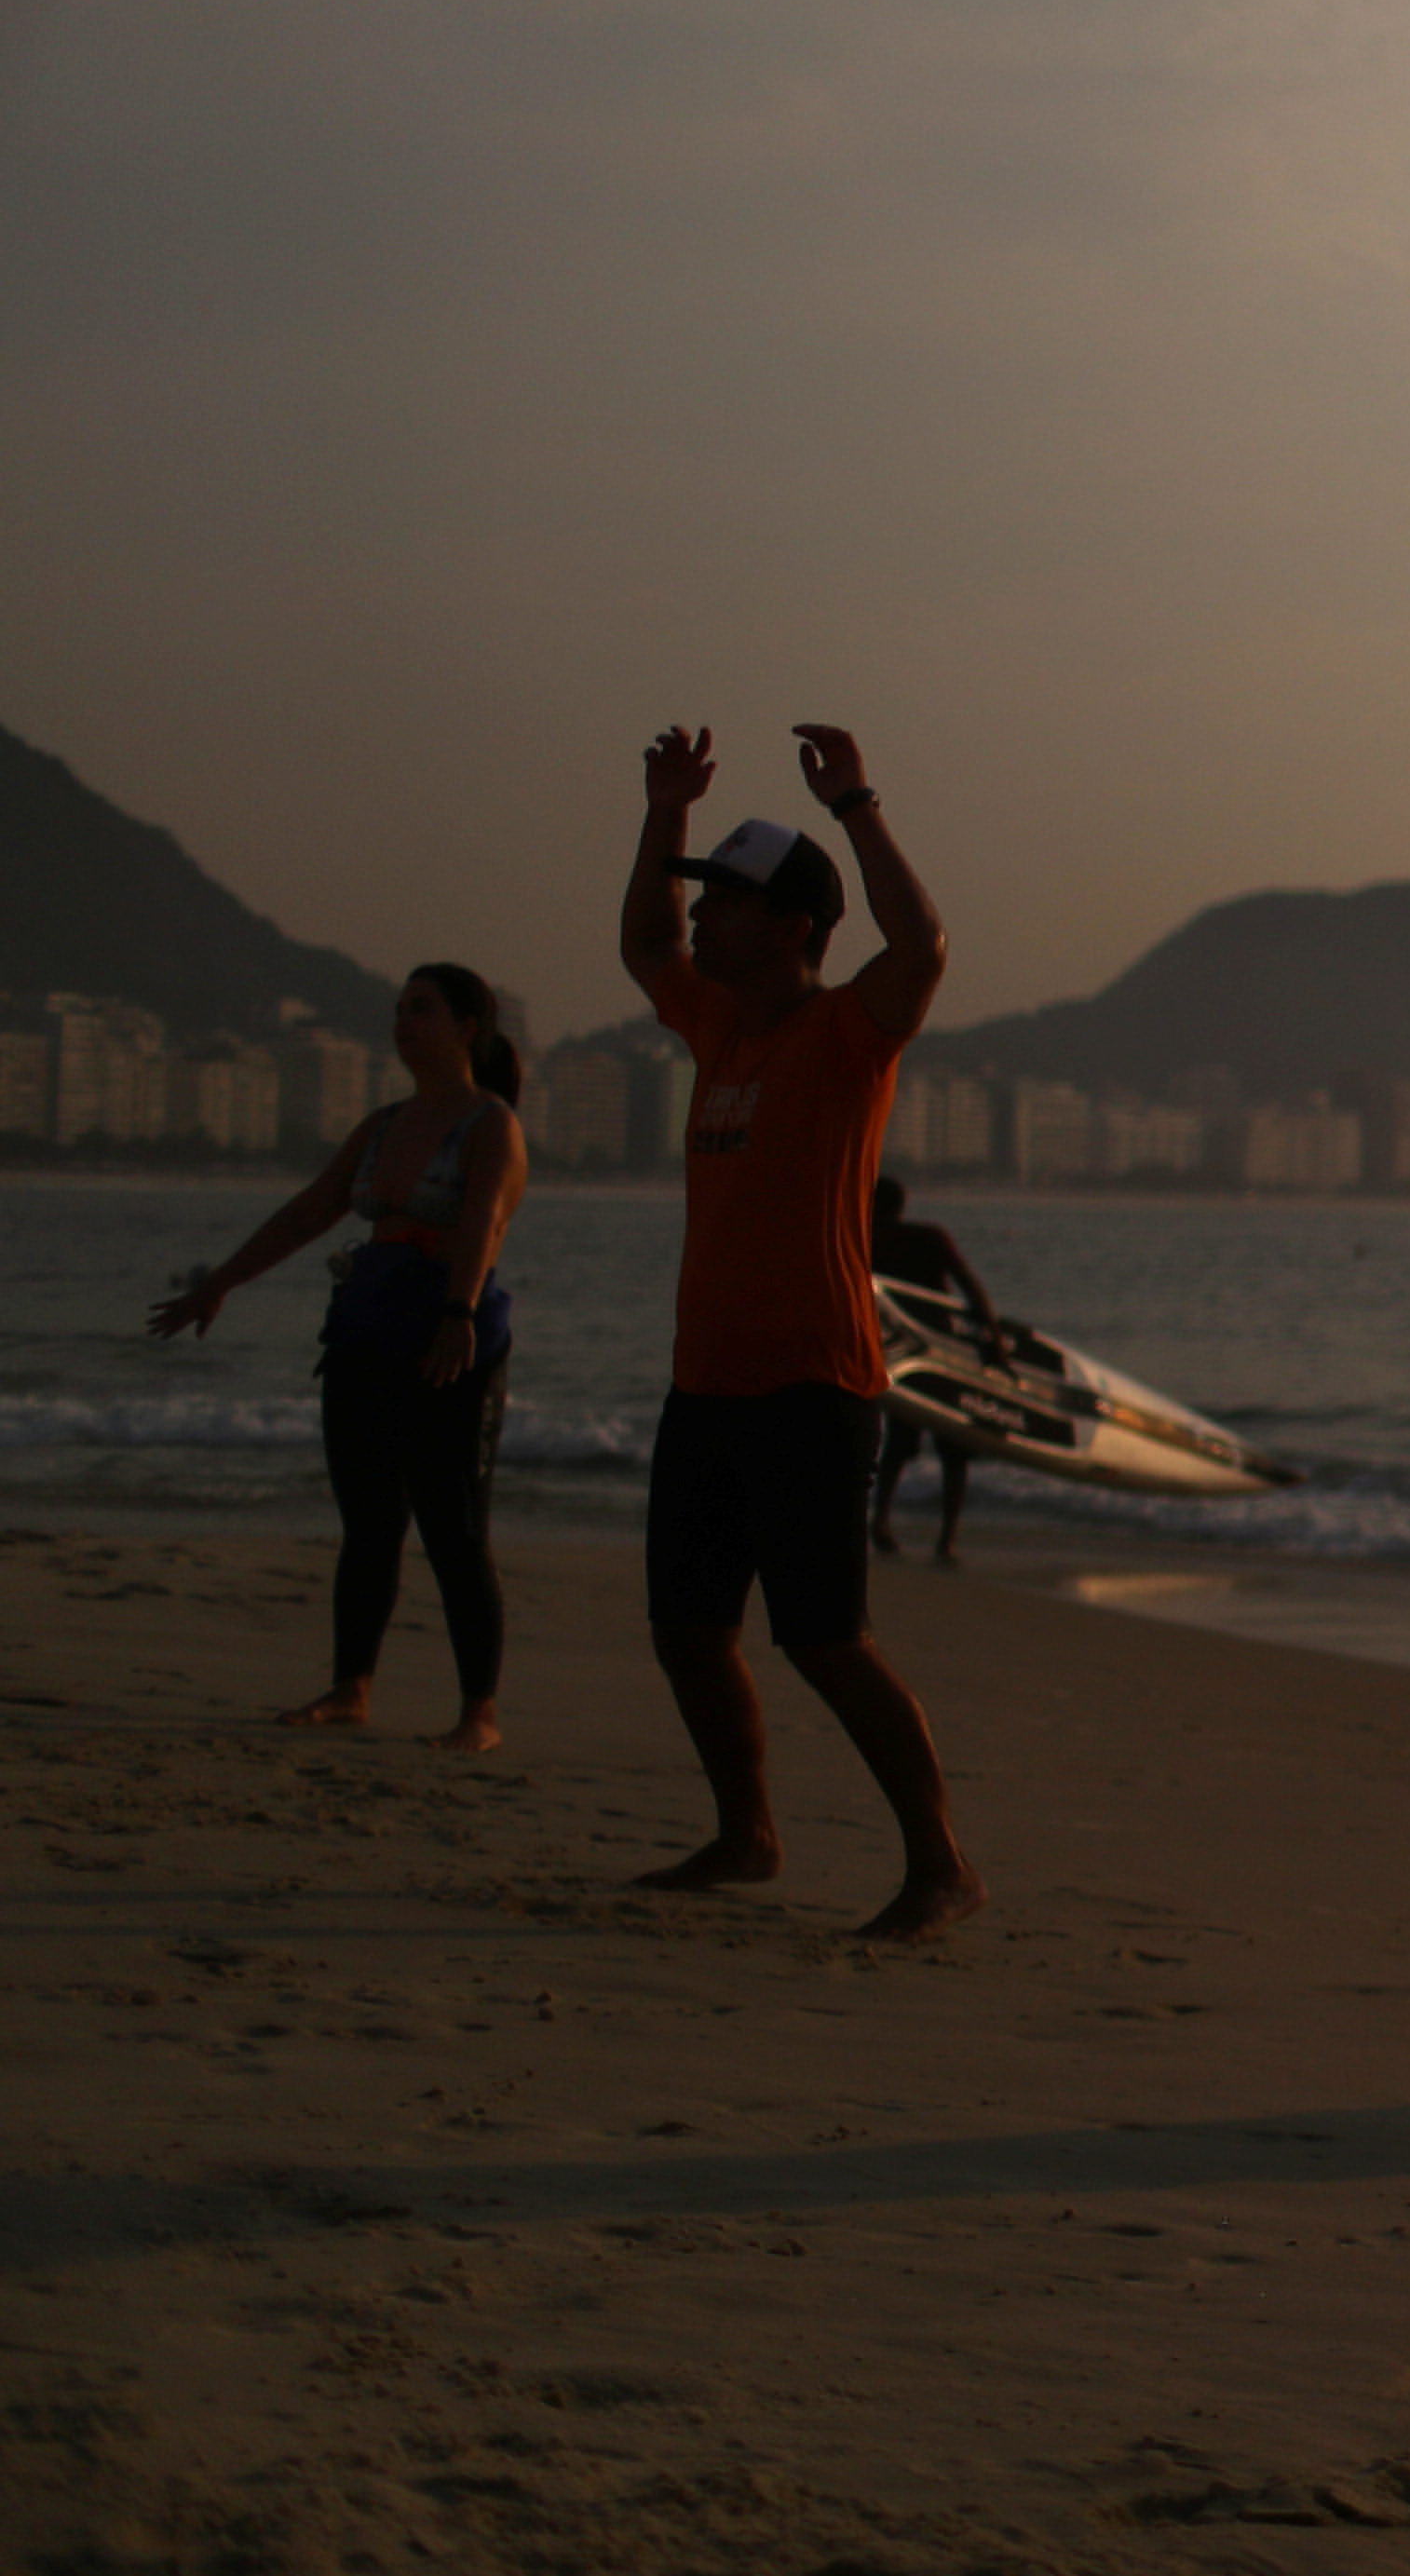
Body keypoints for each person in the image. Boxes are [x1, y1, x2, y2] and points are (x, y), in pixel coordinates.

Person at [621, 722, 983, 1942]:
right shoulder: (719, 1028)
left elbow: (922, 945)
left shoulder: (845, 1035)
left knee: (826, 1639)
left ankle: (940, 1862)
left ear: (792, 928)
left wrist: (858, 805)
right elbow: (641, 942)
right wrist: (667, 810)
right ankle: (747, 1835)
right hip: (705, 1385)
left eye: (726, 902)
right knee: (687, 1631)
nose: (704, 920)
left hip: (813, 1386)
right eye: (705, 899)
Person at [144, 967, 532, 1750]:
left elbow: (485, 1222)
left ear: (468, 1026)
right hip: (363, 1340)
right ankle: (351, 1688)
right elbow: (307, 1213)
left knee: (454, 1530)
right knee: (369, 1524)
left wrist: (458, 1312)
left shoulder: (490, 1124)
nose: (402, 1022)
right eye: (397, 1010)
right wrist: (217, 1285)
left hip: (448, 1345)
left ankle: (478, 1714)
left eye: (420, 1009)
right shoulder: (382, 1124)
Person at [866, 1173, 993, 1566]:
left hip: (900, 1358)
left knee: (900, 1444)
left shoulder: (866, 1242)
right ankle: (946, 1541)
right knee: (953, 1447)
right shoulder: (928, 1236)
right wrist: (992, 1339)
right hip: (947, 1354)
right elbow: (968, 1285)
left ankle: (882, 1523)